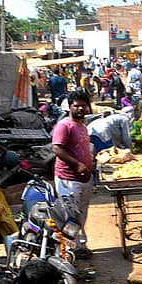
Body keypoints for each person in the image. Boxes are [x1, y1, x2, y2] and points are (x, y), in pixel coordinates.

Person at [51, 89, 95, 258]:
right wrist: (77, 164)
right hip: (68, 179)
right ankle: (69, 249)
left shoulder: (82, 126)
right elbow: (56, 148)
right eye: (77, 106)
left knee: (82, 213)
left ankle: (80, 245)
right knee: (70, 215)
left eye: (84, 106)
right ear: (70, 107)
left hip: (84, 179)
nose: (81, 109)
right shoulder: (64, 125)